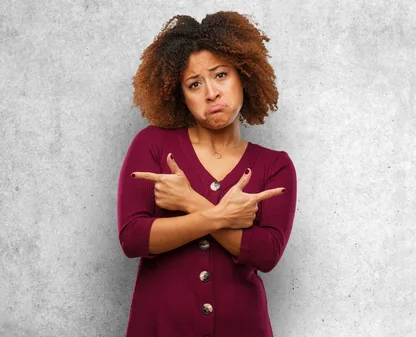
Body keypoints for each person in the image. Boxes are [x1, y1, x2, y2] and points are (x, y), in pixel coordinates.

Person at [116, 12, 297, 337]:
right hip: (161, 326)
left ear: (244, 76)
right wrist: (222, 217)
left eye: (221, 75)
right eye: (194, 84)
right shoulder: (152, 145)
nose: (211, 93)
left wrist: (190, 202)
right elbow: (133, 239)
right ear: (180, 95)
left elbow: (267, 253)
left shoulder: (276, 166)